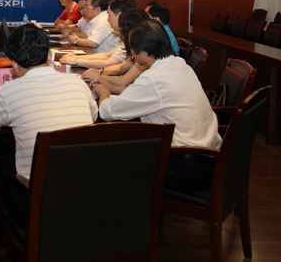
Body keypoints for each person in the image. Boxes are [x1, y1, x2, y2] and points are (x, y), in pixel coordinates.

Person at [94, 19, 221, 192]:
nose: (132, 55)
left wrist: (103, 91)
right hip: (208, 157)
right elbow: (151, 96)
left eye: (133, 51)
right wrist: (112, 88)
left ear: (144, 53)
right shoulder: (180, 65)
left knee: (116, 153)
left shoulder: (153, 79)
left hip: (184, 167)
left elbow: (107, 111)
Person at [0, 24, 97, 181]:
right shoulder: (78, 83)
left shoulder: (9, 91)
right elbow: (93, 116)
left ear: (14, 64)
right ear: (49, 55)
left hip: (37, 189)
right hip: (87, 182)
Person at [61, 0, 136, 68]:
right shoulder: (126, 36)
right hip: (98, 58)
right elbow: (107, 55)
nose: (108, 19)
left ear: (119, 16)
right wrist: (76, 57)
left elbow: (109, 63)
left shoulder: (132, 37)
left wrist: (75, 60)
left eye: (109, 15)